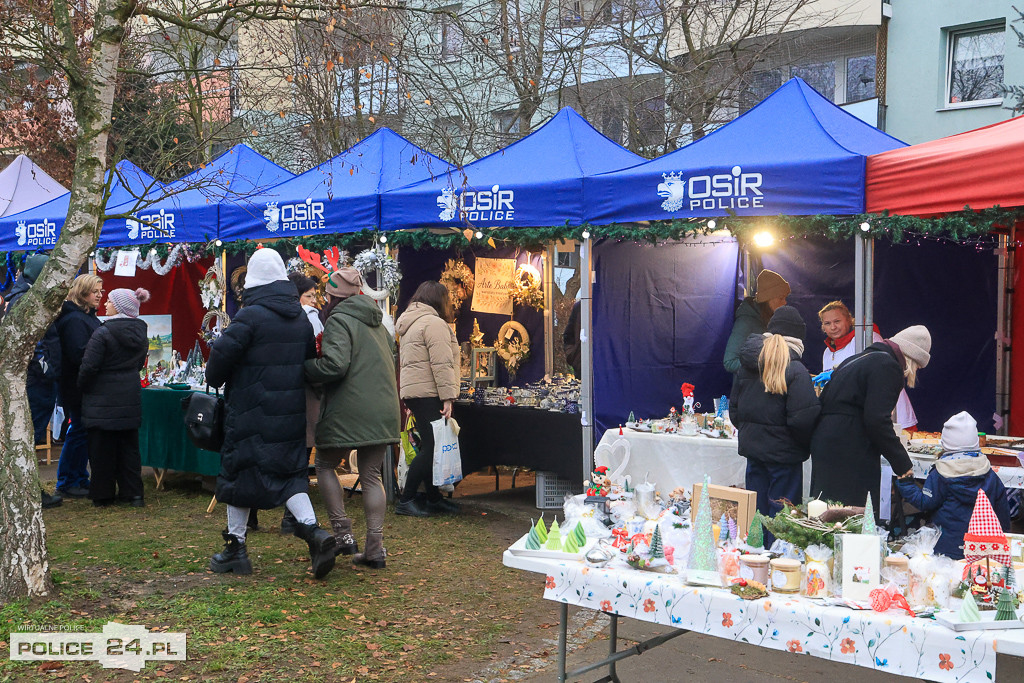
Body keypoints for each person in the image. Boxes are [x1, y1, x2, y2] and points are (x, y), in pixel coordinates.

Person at [205, 248, 336, 578]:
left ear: (253, 280)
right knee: (291, 478)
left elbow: (216, 365)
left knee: (238, 475)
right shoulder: (300, 320)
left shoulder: (250, 316)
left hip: (250, 413)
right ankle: (314, 533)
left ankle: (236, 549)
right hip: (289, 413)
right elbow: (306, 362)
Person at [305, 266, 401, 569]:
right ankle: (375, 549)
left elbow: (334, 366)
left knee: (324, 464)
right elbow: (393, 359)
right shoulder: (380, 323)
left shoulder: (338, 320)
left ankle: (343, 533)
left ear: (332, 296)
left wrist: (305, 369)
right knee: (372, 475)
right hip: (385, 408)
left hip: (349, 408)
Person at [810, 325, 932, 510]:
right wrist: (902, 464)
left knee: (827, 515)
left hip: (828, 443)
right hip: (848, 449)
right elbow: (877, 420)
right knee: (850, 517)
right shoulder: (887, 366)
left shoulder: (862, 358)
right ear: (912, 359)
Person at [731, 306, 820, 530]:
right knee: (782, 517)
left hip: (754, 452)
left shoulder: (746, 366)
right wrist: (799, 443)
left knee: (756, 511)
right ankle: (779, 561)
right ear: (798, 337)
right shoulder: (797, 370)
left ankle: (755, 557)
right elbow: (803, 419)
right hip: (785, 457)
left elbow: (735, 412)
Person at [896, 412, 1009, 559]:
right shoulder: (990, 475)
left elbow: (925, 502)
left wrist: (906, 484)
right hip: (982, 550)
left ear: (945, 443)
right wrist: (1003, 541)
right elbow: (1002, 514)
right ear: (975, 441)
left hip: (945, 548)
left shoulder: (941, 474)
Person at [78, 288, 150, 507]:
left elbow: (89, 366)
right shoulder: (141, 331)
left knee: (101, 449)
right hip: (129, 394)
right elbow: (138, 364)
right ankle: (134, 493)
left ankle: (103, 494)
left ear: (119, 306)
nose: (105, 304)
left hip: (101, 398)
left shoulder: (103, 333)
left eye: (109, 300)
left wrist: (82, 386)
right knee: (129, 447)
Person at [394, 281, 461, 518]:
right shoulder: (434, 324)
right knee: (433, 448)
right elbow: (441, 363)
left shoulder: (411, 321)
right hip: (429, 392)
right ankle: (407, 499)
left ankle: (433, 498)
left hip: (415, 392)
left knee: (430, 445)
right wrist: (448, 397)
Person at [818, 300, 917, 431]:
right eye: (827, 323)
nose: (833, 327)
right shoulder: (827, 352)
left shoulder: (867, 338)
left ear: (849, 320)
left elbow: (880, 373)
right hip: (860, 418)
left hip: (892, 414)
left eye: (837, 321)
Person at [54, 274, 103, 499]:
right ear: (83, 293)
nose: (100, 296)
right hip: (77, 385)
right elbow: (78, 354)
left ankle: (77, 477)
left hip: (84, 385)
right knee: (78, 433)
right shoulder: (74, 320)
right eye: (96, 292)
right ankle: (68, 480)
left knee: (81, 433)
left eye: (101, 292)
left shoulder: (85, 317)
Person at [723, 269, 790, 374]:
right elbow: (730, 362)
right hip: (751, 389)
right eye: (781, 298)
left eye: (785, 298)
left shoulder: (772, 320)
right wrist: (765, 366)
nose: (785, 302)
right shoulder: (746, 322)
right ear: (767, 299)